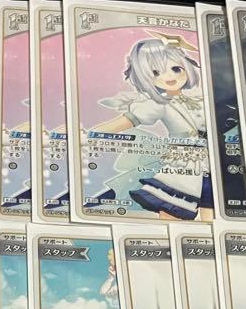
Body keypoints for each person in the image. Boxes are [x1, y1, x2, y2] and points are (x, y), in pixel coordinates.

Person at [91, 34, 212, 221]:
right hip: (183, 165)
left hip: (212, 164)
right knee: (173, 211)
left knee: (211, 213)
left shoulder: (201, 97)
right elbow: (124, 122)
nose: (169, 77)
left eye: (176, 69)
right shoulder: (157, 104)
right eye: (156, 72)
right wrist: (87, 135)